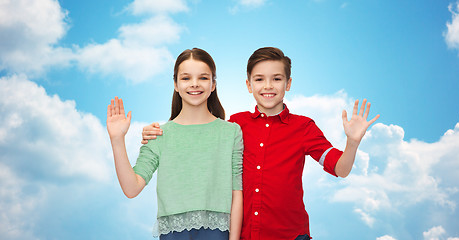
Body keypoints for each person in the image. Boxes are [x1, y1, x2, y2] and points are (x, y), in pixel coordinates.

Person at [141, 47, 379, 240]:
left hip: (290, 235)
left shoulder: (304, 127)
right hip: (245, 235)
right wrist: (156, 133)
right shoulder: (236, 125)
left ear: (288, 83)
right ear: (248, 85)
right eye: (259, 79)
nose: (268, 86)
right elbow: (200, 141)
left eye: (276, 79)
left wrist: (352, 143)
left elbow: (341, 168)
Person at [106, 48, 243, 240]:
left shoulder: (231, 133)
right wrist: (117, 139)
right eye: (186, 78)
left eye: (203, 78)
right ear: (176, 84)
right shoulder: (159, 135)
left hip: (218, 233)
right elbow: (131, 188)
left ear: (213, 84)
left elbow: (237, 193)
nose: (194, 84)